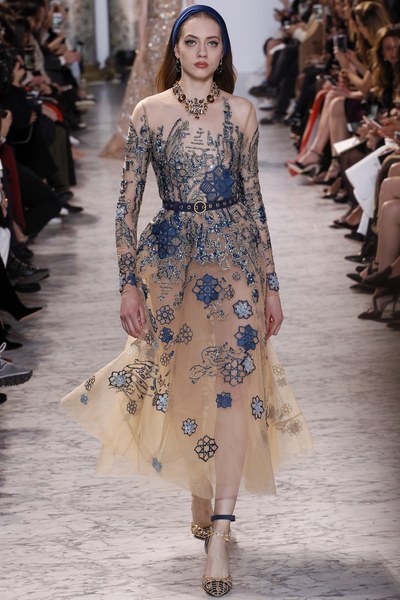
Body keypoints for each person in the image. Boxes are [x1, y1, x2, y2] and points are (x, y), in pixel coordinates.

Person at [62, 5, 312, 597]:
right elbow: (126, 207)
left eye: (213, 43)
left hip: (235, 258)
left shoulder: (242, 113)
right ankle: (203, 491)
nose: (202, 52)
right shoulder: (149, 113)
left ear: (224, 52)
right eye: (192, 42)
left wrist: (272, 284)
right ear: (176, 49)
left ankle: (221, 529)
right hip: (173, 261)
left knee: (236, 385)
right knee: (184, 380)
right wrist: (128, 283)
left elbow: (254, 203)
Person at [99, 0, 194, 160]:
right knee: (155, 88)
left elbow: (191, 10)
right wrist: (141, 47)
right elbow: (143, 16)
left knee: (174, 85)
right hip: (153, 41)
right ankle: (158, 139)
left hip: (174, 39)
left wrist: (190, 39)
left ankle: (173, 138)